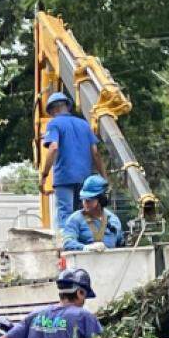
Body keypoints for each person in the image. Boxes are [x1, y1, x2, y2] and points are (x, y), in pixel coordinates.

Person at [40, 92, 107, 230]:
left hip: (64, 177)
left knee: (66, 215)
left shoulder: (54, 123)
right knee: (84, 214)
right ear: (67, 107)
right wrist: (104, 177)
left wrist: (44, 175)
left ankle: (68, 246)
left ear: (53, 110)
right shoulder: (84, 124)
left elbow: (53, 148)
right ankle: (86, 246)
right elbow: (95, 153)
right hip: (85, 179)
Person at [62, 174, 125, 252]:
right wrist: (86, 248)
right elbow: (68, 243)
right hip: (83, 263)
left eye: (89, 199)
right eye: (83, 199)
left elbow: (121, 244)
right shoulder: (75, 219)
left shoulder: (113, 220)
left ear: (101, 199)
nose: (85, 203)